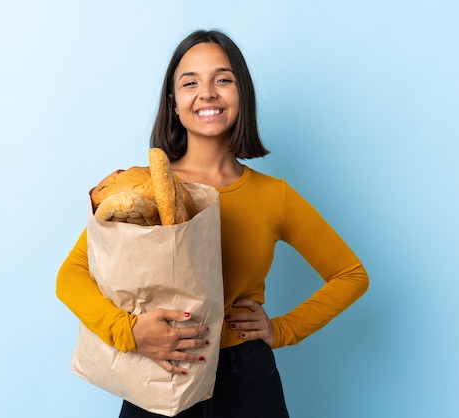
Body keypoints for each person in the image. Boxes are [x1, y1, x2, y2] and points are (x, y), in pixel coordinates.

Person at [56, 29, 369, 418]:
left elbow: (351, 275)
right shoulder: (146, 190)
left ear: (243, 94)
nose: (207, 93)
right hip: (159, 367)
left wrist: (282, 330)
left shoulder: (275, 196)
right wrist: (130, 332)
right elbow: (70, 275)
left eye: (223, 79)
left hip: (246, 378)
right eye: (190, 82)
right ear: (173, 102)